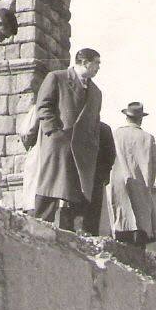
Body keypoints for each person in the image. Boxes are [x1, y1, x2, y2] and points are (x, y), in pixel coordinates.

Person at [32, 48, 103, 231]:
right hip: (58, 145)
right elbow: (43, 106)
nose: (98, 67)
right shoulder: (57, 78)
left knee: (75, 194)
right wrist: (54, 132)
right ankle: (37, 230)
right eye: (96, 63)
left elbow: (95, 123)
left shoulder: (96, 92)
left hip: (83, 151)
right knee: (50, 187)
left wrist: (93, 145)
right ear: (85, 62)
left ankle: (68, 236)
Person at [108, 102, 156, 248]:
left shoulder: (116, 135)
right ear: (140, 119)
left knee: (122, 221)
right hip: (140, 186)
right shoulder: (148, 138)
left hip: (119, 184)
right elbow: (154, 167)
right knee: (140, 223)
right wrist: (148, 184)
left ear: (127, 117)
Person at [81, 122, 116, 236]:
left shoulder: (79, 125)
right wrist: (105, 173)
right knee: (94, 209)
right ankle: (91, 234)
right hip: (97, 176)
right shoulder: (105, 128)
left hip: (81, 175)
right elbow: (111, 156)